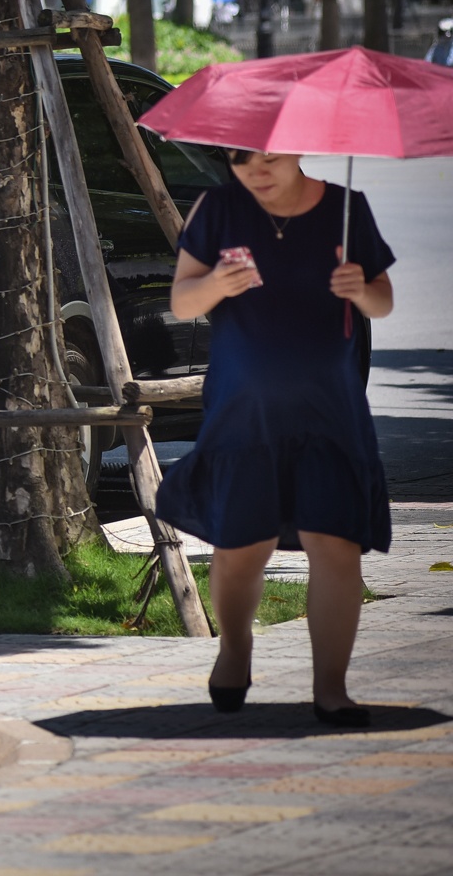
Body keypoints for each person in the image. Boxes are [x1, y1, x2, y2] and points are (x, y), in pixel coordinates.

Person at [159, 148, 395, 727]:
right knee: (242, 547)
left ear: (296, 149)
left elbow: (383, 301)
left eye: (267, 158)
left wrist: (359, 288)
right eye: (240, 161)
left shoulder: (346, 209)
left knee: (335, 543)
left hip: (330, 409)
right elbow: (182, 301)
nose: (255, 170)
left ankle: (331, 689)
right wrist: (215, 281)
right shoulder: (217, 209)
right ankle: (235, 647)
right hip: (245, 409)